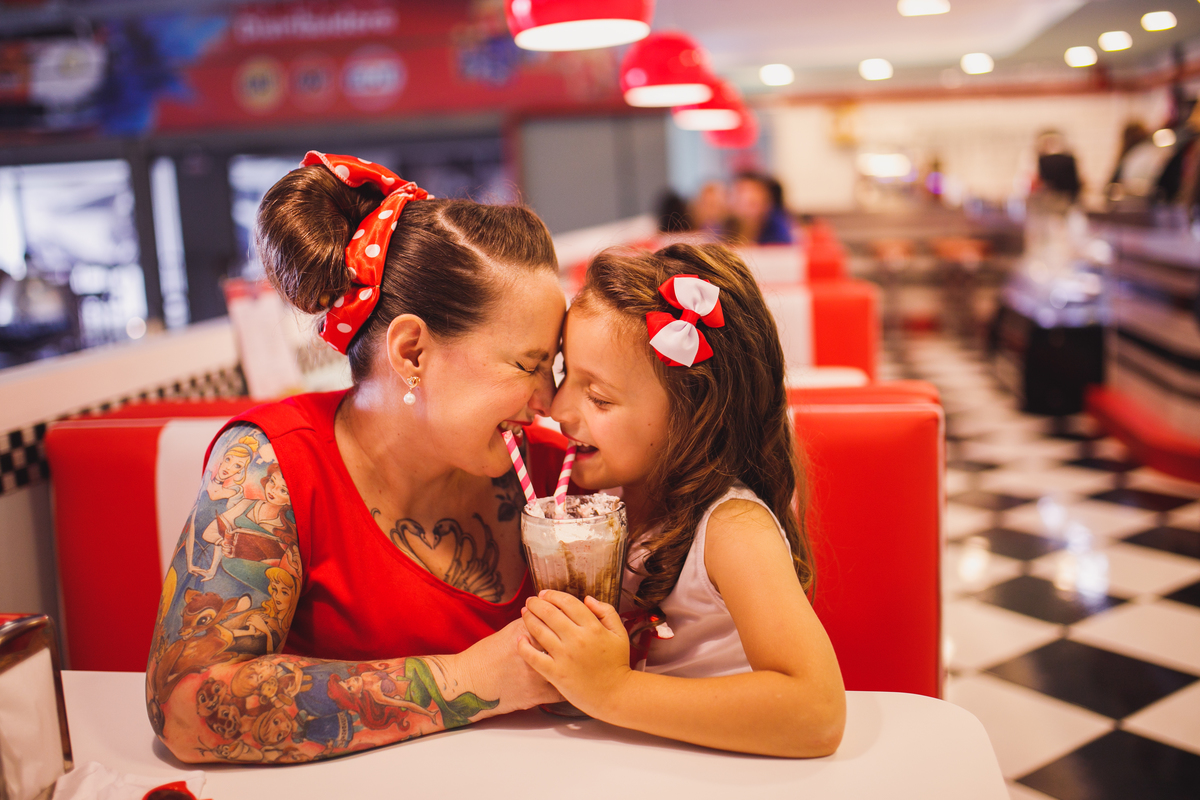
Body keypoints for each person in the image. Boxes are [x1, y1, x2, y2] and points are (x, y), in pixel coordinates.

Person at [147, 152, 566, 763]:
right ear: (413, 351)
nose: (549, 401)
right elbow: (185, 706)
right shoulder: (273, 468)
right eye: (529, 365)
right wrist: (468, 681)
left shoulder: (561, 479)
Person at [518, 243, 845, 757]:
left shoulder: (732, 529)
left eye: (598, 397)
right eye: (565, 376)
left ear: (694, 415)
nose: (559, 408)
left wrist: (613, 691)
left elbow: (818, 712)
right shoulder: (605, 497)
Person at [726, 171, 794, 245]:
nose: (748, 196)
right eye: (741, 191)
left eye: (755, 191)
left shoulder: (777, 224)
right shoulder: (723, 226)